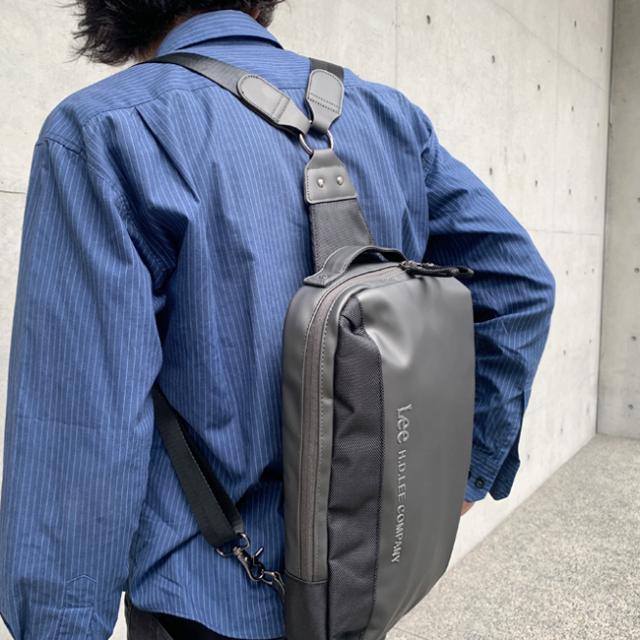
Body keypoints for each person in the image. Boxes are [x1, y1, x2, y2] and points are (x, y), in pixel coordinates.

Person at [0, 2, 555, 639]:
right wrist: (465, 475)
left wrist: (58, 626)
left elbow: (81, 425)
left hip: (205, 601)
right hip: (358, 584)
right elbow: (519, 283)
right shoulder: (388, 116)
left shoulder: (107, 129)